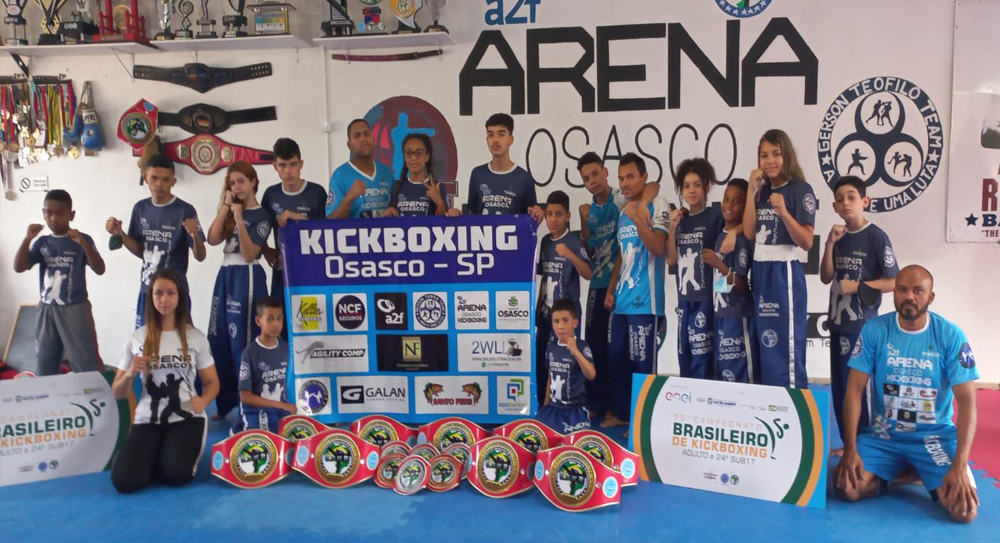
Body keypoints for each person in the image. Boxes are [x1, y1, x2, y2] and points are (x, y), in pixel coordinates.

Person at [836, 265, 979, 524]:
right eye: (902, 289)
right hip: (884, 435)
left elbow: (968, 403)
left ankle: (909, 471)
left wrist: (959, 465)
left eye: (918, 291)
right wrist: (850, 449)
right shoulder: (875, 330)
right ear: (894, 293)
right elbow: (854, 390)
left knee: (963, 511)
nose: (909, 296)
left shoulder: (950, 335)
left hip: (933, 437)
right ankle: (909, 473)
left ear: (930, 297)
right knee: (846, 488)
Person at [110, 269, 220, 494]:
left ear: (179, 297)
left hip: (186, 417)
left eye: (170, 293)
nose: (164, 299)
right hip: (148, 419)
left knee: (176, 475)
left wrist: (204, 400)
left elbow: (212, 382)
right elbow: (117, 393)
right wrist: (130, 373)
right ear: (151, 297)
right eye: (158, 293)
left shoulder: (195, 337)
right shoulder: (137, 338)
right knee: (125, 481)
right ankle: (155, 454)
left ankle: (165, 454)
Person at [577, 152, 660, 421]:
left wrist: (643, 202)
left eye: (595, 174)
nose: (592, 181)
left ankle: (622, 408)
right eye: (586, 178)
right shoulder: (589, 210)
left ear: (605, 172)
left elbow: (653, 185)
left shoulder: (621, 198)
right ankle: (598, 402)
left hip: (625, 288)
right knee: (596, 345)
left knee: (623, 352)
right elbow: (590, 247)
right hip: (600, 284)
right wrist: (583, 222)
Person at [821, 175, 899, 442]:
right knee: (840, 386)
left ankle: (864, 445)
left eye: (851, 197)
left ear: (865, 201)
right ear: (834, 206)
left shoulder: (876, 237)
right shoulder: (838, 236)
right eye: (840, 199)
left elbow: (894, 281)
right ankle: (848, 444)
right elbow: (825, 276)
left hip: (862, 327)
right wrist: (829, 244)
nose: (846, 203)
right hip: (837, 323)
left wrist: (859, 286)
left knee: (859, 388)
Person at [742, 129, 815, 388]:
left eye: (776, 154)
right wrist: (751, 192)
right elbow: (749, 232)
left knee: (787, 345)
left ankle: (793, 401)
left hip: (785, 273)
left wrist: (784, 212)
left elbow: (807, 241)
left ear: (787, 156)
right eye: (764, 155)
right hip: (761, 270)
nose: (770, 161)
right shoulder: (761, 191)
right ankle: (769, 402)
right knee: (766, 344)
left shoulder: (800, 189)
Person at [604, 153, 669, 430]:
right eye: (621, 178)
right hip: (621, 301)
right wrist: (611, 289)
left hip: (646, 303)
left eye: (631, 176)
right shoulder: (624, 210)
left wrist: (639, 218)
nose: (625, 183)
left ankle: (645, 424)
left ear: (644, 177)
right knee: (616, 360)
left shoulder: (658, 203)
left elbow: (658, 247)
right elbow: (622, 255)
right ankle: (623, 413)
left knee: (643, 366)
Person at [106, 155, 206, 328]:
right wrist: (120, 234)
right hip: (148, 289)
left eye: (165, 180)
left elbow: (201, 256)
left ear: (173, 181)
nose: (159, 184)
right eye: (154, 178)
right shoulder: (140, 208)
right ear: (145, 178)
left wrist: (195, 236)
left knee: (178, 339)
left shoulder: (185, 210)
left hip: (175, 291)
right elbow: (141, 250)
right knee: (145, 339)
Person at [13, 189, 105, 375]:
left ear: (71, 215)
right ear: (43, 213)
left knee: (85, 363)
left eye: (60, 213)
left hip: (75, 309)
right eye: (49, 213)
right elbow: (19, 267)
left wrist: (83, 244)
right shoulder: (42, 243)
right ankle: (50, 393)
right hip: (47, 309)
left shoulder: (82, 240)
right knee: (45, 363)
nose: (53, 218)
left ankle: (91, 392)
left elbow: (100, 269)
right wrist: (27, 239)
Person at [206, 162, 272, 420]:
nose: (237, 187)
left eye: (241, 181)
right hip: (225, 274)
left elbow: (249, 254)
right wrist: (225, 207)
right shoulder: (231, 209)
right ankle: (225, 403)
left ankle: (250, 405)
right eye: (232, 183)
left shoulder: (262, 215)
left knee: (242, 343)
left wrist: (239, 221)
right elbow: (212, 239)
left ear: (253, 181)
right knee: (219, 338)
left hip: (248, 276)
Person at [665, 158, 725, 380]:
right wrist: (672, 229)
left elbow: (731, 237)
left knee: (704, 359)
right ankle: (687, 398)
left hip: (706, 299)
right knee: (685, 357)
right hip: (684, 300)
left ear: (707, 186)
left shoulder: (715, 216)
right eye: (687, 186)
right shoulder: (680, 220)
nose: (691, 190)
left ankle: (706, 398)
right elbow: (671, 260)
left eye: (697, 185)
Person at [260, 138, 329, 322]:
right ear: (274, 166)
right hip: (282, 272)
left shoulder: (317, 192)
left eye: (293, 164)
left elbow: (326, 232)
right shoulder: (271, 194)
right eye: (282, 165)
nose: (288, 171)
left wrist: (296, 217)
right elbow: (260, 229)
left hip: (310, 271)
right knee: (281, 323)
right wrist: (266, 251)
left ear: (301, 164)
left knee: (309, 323)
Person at [535, 190, 592, 404]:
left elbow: (588, 273)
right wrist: (537, 310)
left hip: (566, 317)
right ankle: (544, 404)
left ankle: (569, 403)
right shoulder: (544, 241)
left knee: (566, 360)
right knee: (543, 359)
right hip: (545, 315)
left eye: (558, 214)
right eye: (549, 214)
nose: (552, 219)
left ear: (568, 216)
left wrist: (570, 255)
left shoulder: (574, 241)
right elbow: (543, 278)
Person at [701, 179, 758, 383]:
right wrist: (719, 297)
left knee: (743, 374)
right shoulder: (720, 235)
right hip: (721, 314)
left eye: (737, 201)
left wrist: (719, 265)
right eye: (727, 199)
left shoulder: (740, 240)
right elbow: (721, 282)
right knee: (724, 372)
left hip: (739, 315)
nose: (729, 205)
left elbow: (741, 285)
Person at [461, 113, 543, 222]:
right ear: (487, 140)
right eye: (491, 135)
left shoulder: (524, 178)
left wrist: (537, 215)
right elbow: (472, 217)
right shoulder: (477, 174)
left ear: (511, 139)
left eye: (501, 134)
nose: (495, 140)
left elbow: (530, 224)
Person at [231, 296, 296, 434]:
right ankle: (238, 428)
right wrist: (280, 405)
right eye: (270, 319)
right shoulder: (250, 353)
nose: (276, 324)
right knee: (266, 437)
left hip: (282, 408)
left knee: (301, 432)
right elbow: (245, 397)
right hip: (256, 409)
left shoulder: (287, 348)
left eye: (279, 318)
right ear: (258, 321)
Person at [536, 299, 596, 435]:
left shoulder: (582, 346)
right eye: (556, 321)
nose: (560, 326)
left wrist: (576, 352)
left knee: (576, 442)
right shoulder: (551, 346)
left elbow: (591, 375)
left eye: (565, 320)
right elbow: (550, 378)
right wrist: (545, 407)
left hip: (575, 410)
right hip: (553, 409)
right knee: (540, 437)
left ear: (575, 323)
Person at [326, 118, 394, 219]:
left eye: (366, 134)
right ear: (349, 145)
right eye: (357, 136)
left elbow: (396, 210)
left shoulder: (386, 172)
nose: (363, 139)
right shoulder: (340, 175)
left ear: (373, 139)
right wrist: (349, 198)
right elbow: (330, 221)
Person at [385, 133, 449, 217]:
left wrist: (439, 202)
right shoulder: (396, 187)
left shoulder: (437, 187)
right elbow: (390, 220)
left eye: (419, 153)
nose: (413, 157)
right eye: (408, 153)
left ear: (427, 156)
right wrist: (390, 213)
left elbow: (446, 222)